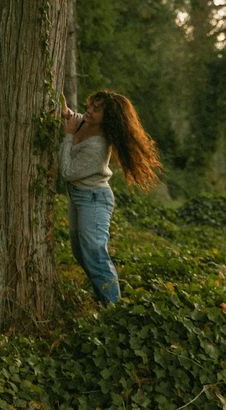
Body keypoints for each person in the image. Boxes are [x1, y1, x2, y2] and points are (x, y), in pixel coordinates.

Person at [60, 90, 161, 305]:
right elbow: (75, 118)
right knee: (80, 252)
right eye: (90, 105)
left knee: (95, 254)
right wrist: (67, 113)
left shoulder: (98, 146)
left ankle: (113, 310)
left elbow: (67, 172)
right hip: (79, 196)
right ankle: (103, 299)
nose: (89, 111)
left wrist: (68, 136)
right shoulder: (86, 123)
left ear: (108, 118)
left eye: (96, 110)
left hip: (94, 199)